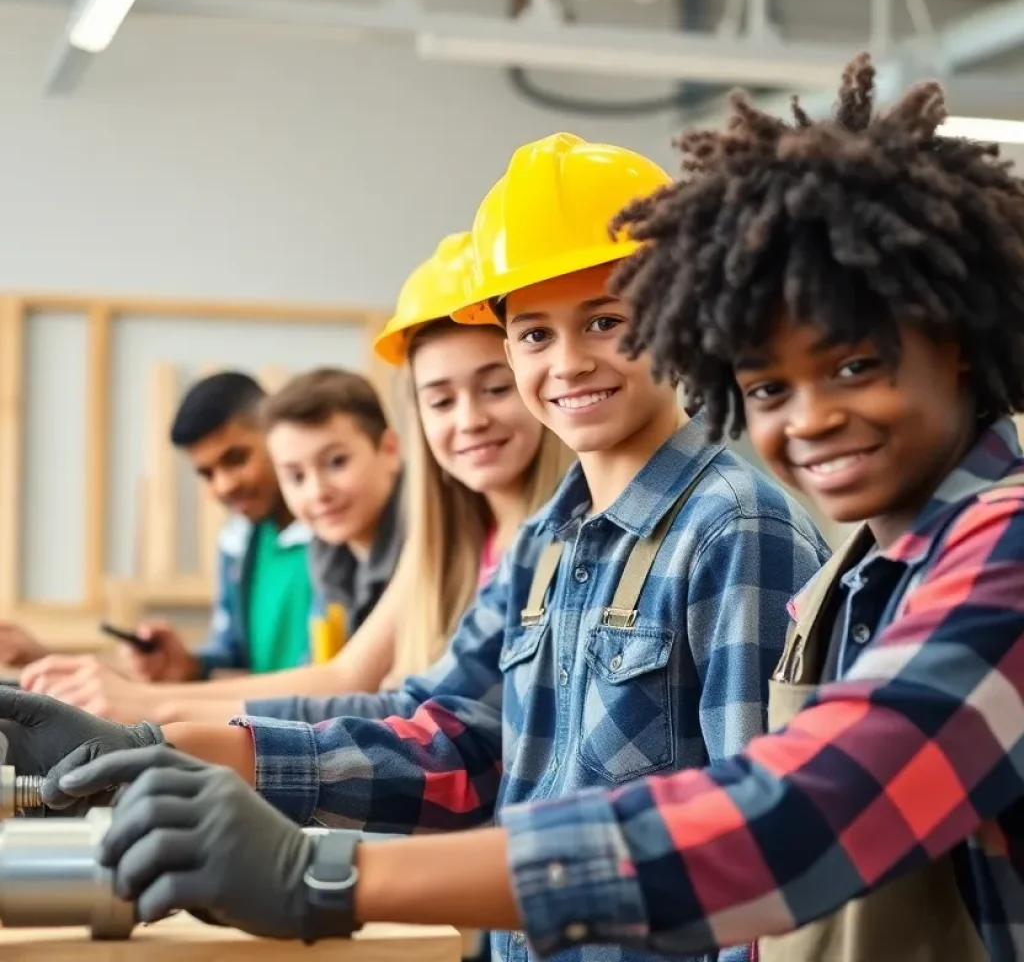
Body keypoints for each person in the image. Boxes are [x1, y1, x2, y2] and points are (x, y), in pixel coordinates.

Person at [37, 53, 1024, 960]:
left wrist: (328, 875)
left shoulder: (968, 548)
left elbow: (785, 819)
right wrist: (161, 743)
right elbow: (458, 737)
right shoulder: (849, 568)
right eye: (767, 387)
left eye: (858, 365)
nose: (811, 419)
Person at [21, 235, 570, 727]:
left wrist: (155, 704)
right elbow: (344, 679)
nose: (469, 419)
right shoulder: (439, 541)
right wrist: (158, 692)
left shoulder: (546, 538)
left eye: (495, 389)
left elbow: (385, 703)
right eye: (441, 400)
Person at [21, 366, 407, 722]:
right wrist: (188, 669)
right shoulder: (251, 547)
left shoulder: (349, 536)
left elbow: (342, 679)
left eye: (236, 459)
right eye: (206, 473)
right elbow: (249, 662)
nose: (224, 485)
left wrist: (149, 701)